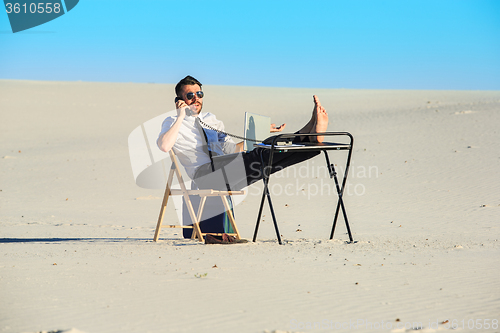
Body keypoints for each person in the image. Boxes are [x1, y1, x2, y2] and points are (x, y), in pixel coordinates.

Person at [157, 75, 328, 237]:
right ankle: (306, 135)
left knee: (264, 149)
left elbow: (232, 150)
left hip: (223, 170)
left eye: (199, 94)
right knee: (260, 154)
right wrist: (180, 117)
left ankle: (306, 137)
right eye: (190, 95)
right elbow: (164, 146)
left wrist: (258, 132)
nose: (196, 98)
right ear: (179, 100)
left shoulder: (211, 119)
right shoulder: (172, 122)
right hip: (203, 176)